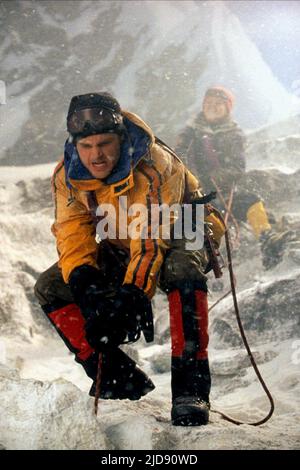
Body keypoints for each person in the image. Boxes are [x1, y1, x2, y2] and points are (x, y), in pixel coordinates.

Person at [34, 92, 226, 426]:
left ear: (121, 138)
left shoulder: (154, 166)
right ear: (74, 144)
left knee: (182, 268)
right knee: (51, 286)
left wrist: (132, 295)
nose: (97, 155)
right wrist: (87, 286)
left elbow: (151, 241)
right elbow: (71, 233)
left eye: (105, 144)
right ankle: (113, 376)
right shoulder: (66, 176)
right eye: (87, 146)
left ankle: (191, 389)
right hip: (122, 231)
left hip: (185, 222)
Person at [175, 86, 294, 270]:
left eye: (218, 104)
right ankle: (194, 264)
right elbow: (178, 159)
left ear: (227, 109)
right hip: (194, 191)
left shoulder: (233, 135)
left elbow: (237, 167)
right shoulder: (189, 133)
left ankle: (267, 238)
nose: (212, 107)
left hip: (223, 190)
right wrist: (195, 181)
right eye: (209, 103)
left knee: (251, 201)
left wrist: (213, 178)